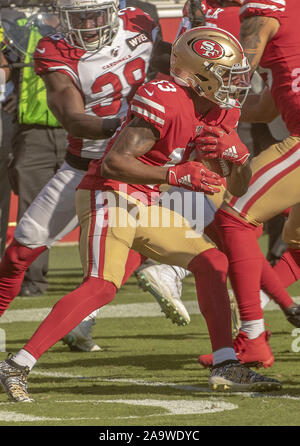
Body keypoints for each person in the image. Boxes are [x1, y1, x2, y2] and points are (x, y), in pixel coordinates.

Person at [0, 26, 283, 402]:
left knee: (212, 261)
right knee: (102, 285)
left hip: (146, 200)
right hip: (109, 194)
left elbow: (237, 188)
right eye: (224, 75)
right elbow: (115, 163)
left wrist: (240, 158)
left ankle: (225, 364)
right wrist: (174, 173)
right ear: (195, 73)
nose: (234, 83)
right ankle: (15, 365)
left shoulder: (221, 110)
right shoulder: (165, 96)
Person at [0, 0, 189, 354]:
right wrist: (128, 122)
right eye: (79, 16)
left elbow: (171, 62)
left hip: (137, 164)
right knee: (20, 250)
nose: (87, 23)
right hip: (84, 164)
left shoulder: (140, 22)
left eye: (96, 14)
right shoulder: (52, 48)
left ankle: (239, 337)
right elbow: (73, 117)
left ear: (114, 11)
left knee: (116, 259)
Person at [198, 0, 300, 368]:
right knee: (299, 246)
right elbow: (270, 106)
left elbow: (238, 71)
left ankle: (253, 336)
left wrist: (197, 98)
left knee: (234, 218)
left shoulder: (264, 12)